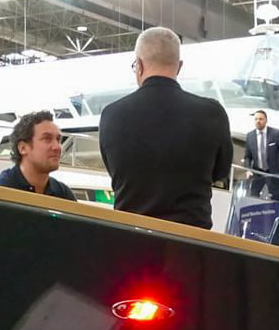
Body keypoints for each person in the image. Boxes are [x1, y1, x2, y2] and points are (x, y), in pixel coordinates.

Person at [96, 27, 233, 229]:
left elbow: (114, 170)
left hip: (129, 235)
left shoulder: (112, 114)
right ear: (179, 67)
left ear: (139, 66)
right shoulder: (212, 113)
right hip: (191, 238)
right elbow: (220, 172)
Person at [0, 111, 78, 203]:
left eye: (58, 139)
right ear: (23, 148)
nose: (57, 147)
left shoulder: (63, 194)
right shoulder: (0, 192)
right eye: (47, 139)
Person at [242, 109, 279, 199]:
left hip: (273, 172)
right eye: (256, 119)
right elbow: (247, 157)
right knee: (253, 197)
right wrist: (248, 169)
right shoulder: (250, 136)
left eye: (261, 119)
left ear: (266, 120)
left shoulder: (276, 134)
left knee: (275, 198)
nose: (258, 121)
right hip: (257, 172)